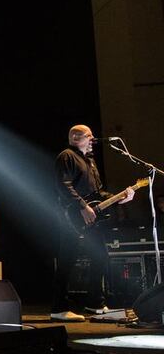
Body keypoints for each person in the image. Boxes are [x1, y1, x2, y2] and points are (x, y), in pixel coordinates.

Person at [51, 124, 135, 321]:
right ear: (78, 137)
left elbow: (97, 193)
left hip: (90, 219)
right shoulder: (67, 156)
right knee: (67, 261)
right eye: (90, 136)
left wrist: (119, 197)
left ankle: (94, 303)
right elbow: (63, 185)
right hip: (71, 217)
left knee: (101, 257)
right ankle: (58, 308)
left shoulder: (89, 161)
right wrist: (82, 206)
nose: (93, 140)